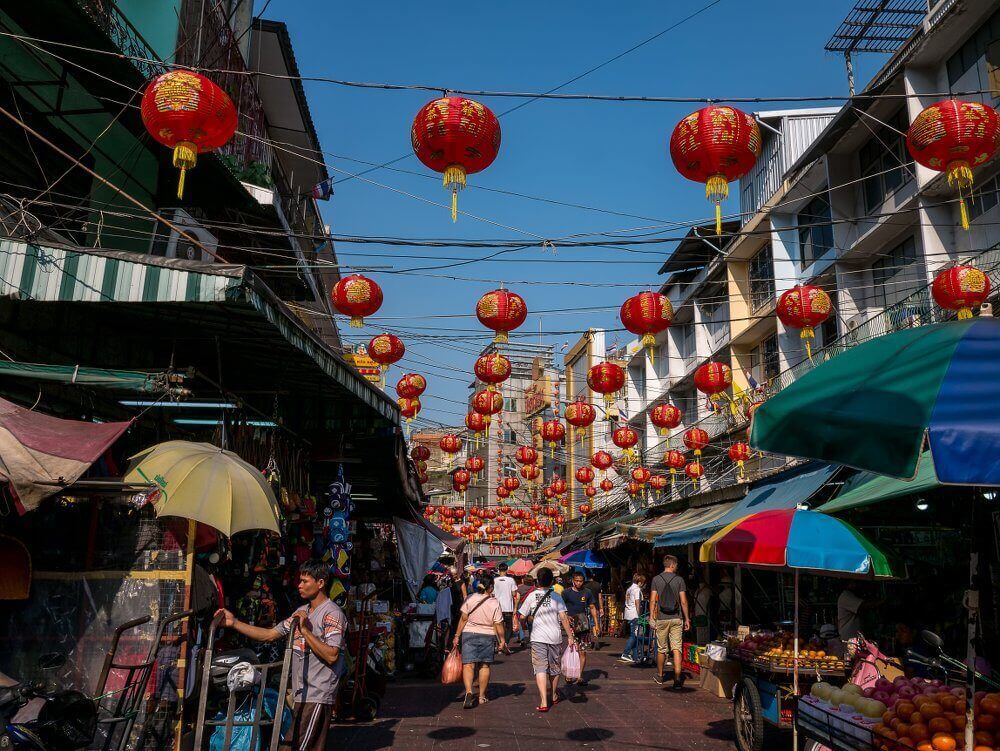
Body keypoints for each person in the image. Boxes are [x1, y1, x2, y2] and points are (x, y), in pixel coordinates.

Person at [217, 560, 346, 751]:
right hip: (301, 694)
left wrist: (305, 631)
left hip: (318, 694)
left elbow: (332, 655)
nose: (299, 586)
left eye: (305, 581)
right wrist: (234, 623)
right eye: (299, 581)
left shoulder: (332, 614)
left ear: (320, 583)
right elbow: (269, 635)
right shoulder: (300, 612)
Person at [517, 566, 576, 712]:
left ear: (537, 580)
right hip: (555, 637)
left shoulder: (531, 596)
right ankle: (554, 694)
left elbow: (522, 616)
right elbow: (563, 617)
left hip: (537, 637)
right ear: (551, 581)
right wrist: (570, 636)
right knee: (554, 668)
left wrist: (526, 623)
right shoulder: (556, 596)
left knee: (540, 668)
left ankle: (544, 701)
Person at [451, 572, 506, 709]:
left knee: (468, 665)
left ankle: (469, 692)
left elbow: (463, 619)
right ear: (491, 588)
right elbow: (498, 624)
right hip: (487, 635)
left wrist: (457, 635)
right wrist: (502, 640)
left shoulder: (470, 598)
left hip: (469, 633)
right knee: (484, 665)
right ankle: (481, 696)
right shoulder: (494, 603)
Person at [649, 554, 690, 690]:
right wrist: (687, 618)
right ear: (672, 565)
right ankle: (677, 679)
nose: (677, 567)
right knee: (676, 648)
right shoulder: (679, 580)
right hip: (676, 618)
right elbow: (683, 601)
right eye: (676, 565)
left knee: (661, 648)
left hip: (661, 618)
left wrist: (651, 617)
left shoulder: (656, 579)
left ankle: (660, 676)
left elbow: (653, 600)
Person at [563, 571, 600, 684]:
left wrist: (596, 624)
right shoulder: (566, 593)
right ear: (573, 581)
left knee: (582, 651)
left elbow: (592, 607)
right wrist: (566, 616)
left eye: (581, 581)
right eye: (577, 581)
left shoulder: (587, 592)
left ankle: (579, 676)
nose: (579, 583)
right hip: (571, 625)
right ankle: (569, 674)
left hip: (583, 624)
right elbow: (561, 608)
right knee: (571, 650)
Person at [619, 573, 646, 663]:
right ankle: (625, 653)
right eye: (642, 582)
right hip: (634, 614)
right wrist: (640, 615)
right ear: (640, 582)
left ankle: (636, 655)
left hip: (628, 613)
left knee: (635, 635)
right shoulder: (636, 590)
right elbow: (637, 603)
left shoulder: (629, 589)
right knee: (634, 635)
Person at [492, 563, 518, 647]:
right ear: (507, 570)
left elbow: (492, 594)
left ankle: (500, 643)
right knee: (509, 627)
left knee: (498, 626)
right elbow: (514, 593)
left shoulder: (494, 580)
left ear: (499, 570)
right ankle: (505, 642)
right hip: (508, 607)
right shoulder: (511, 580)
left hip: (497, 607)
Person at [583, 571, 604, 649]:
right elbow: (600, 597)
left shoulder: (584, 585)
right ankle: (595, 635)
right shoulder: (597, 585)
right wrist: (601, 607)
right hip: (596, 605)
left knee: (587, 623)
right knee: (595, 622)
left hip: (586, 605)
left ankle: (589, 638)